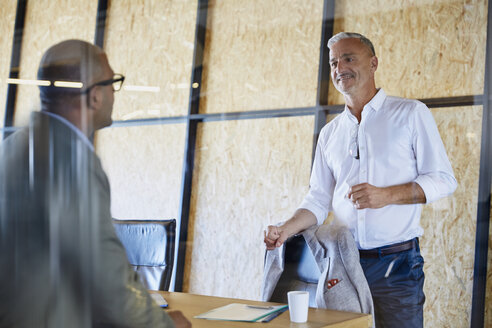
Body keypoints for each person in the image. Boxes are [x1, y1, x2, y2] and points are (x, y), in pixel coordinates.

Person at [264, 32, 457, 328]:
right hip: (340, 265)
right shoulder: (330, 134)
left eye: (349, 58)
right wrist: (284, 229)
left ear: (373, 63)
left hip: (397, 267)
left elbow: (444, 180)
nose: (339, 67)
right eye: (333, 62)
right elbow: (317, 199)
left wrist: (386, 195)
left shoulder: (410, 114)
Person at [0, 40, 190, 328]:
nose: (115, 92)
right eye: (112, 82)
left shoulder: (13, 147)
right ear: (94, 96)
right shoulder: (69, 162)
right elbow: (108, 284)